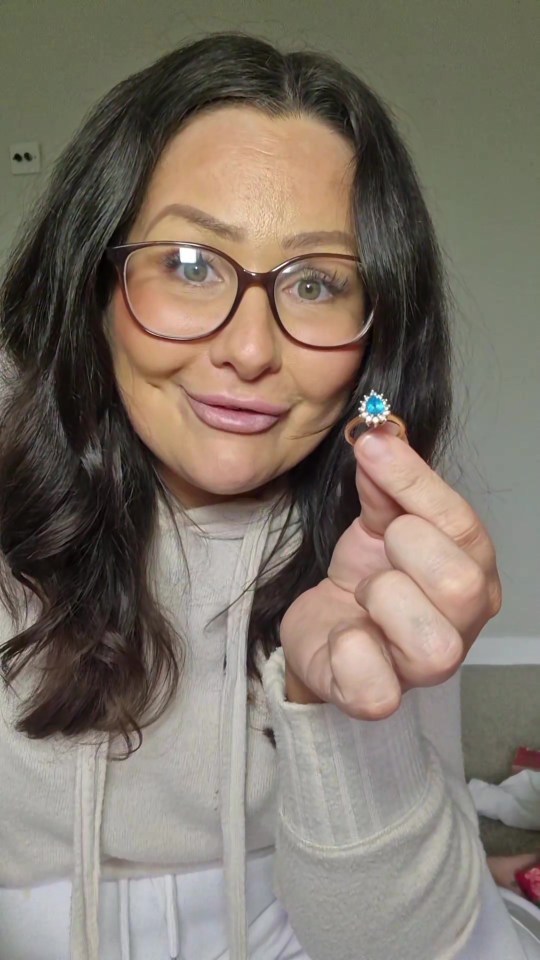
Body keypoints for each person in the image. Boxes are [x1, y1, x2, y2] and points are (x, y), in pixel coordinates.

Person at [0, 32, 529, 960]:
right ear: (92, 288)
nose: (250, 350)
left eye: (318, 282)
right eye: (192, 265)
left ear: (374, 339)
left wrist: (339, 715)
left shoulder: (373, 549)